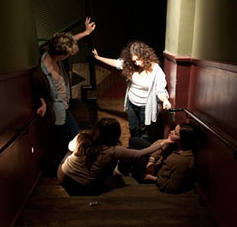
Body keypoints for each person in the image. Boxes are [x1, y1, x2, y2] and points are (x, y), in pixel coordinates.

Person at [32, 17, 96, 173]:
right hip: (57, 109)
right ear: (60, 54)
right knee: (70, 137)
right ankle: (65, 169)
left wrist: (86, 32)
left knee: (72, 137)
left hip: (64, 105)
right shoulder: (42, 70)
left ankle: (67, 166)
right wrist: (43, 102)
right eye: (67, 55)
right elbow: (38, 88)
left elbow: (69, 40)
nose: (68, 57)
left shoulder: (54, 51)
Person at [57, 117, 171, 196]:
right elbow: (139, 154)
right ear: (116, 134)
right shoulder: (113, 150)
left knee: (70, 151)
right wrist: (160, 143)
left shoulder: (82, 136)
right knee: (110, 162)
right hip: (82, 187)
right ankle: (111, 177)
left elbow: (70, 147)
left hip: (62, 175)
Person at [92, 41, 171, 142]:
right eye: (134, 61)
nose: (137, 63)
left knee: (145, 131)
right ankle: (134, 147)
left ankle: (142, 153)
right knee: (133, 128)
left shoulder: (156, 71)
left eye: (139, 59)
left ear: (145, 55)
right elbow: (117, 63)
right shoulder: (131, 65)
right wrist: (98, 58)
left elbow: (160, 90)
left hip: (145, 106)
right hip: (131, 103)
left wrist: (165, 100)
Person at [127, 123, 197, 194]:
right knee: (134, 140)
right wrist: (151, 161)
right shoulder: (176, 144)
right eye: (173, 129)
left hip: (152, 175)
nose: (171, 132)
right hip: (154, 162)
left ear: (182, 139)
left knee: (130, 150)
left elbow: (172, 187)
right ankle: (125, 168)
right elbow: (156, 147)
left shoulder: (183, 160)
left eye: (175, 133)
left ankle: (122, 170)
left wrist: (153, 178)